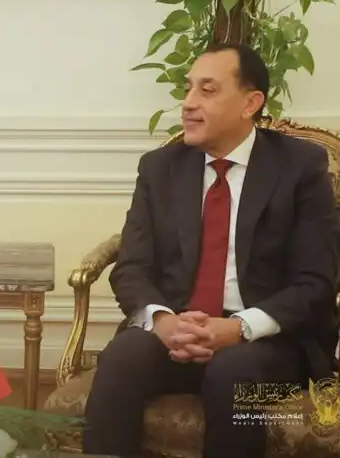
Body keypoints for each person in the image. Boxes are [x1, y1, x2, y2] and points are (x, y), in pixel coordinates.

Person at [81, 44, 339, 458]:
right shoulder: (160, 168)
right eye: (188, 89)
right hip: (177, 332)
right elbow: (131, 268)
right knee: (123, 357)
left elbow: (316, 281)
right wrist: (164, 322)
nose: (188, 103)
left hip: (271, 347)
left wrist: (236, 329)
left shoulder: (300, 166)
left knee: (232, 370)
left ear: (250, 103)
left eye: (207, 90)